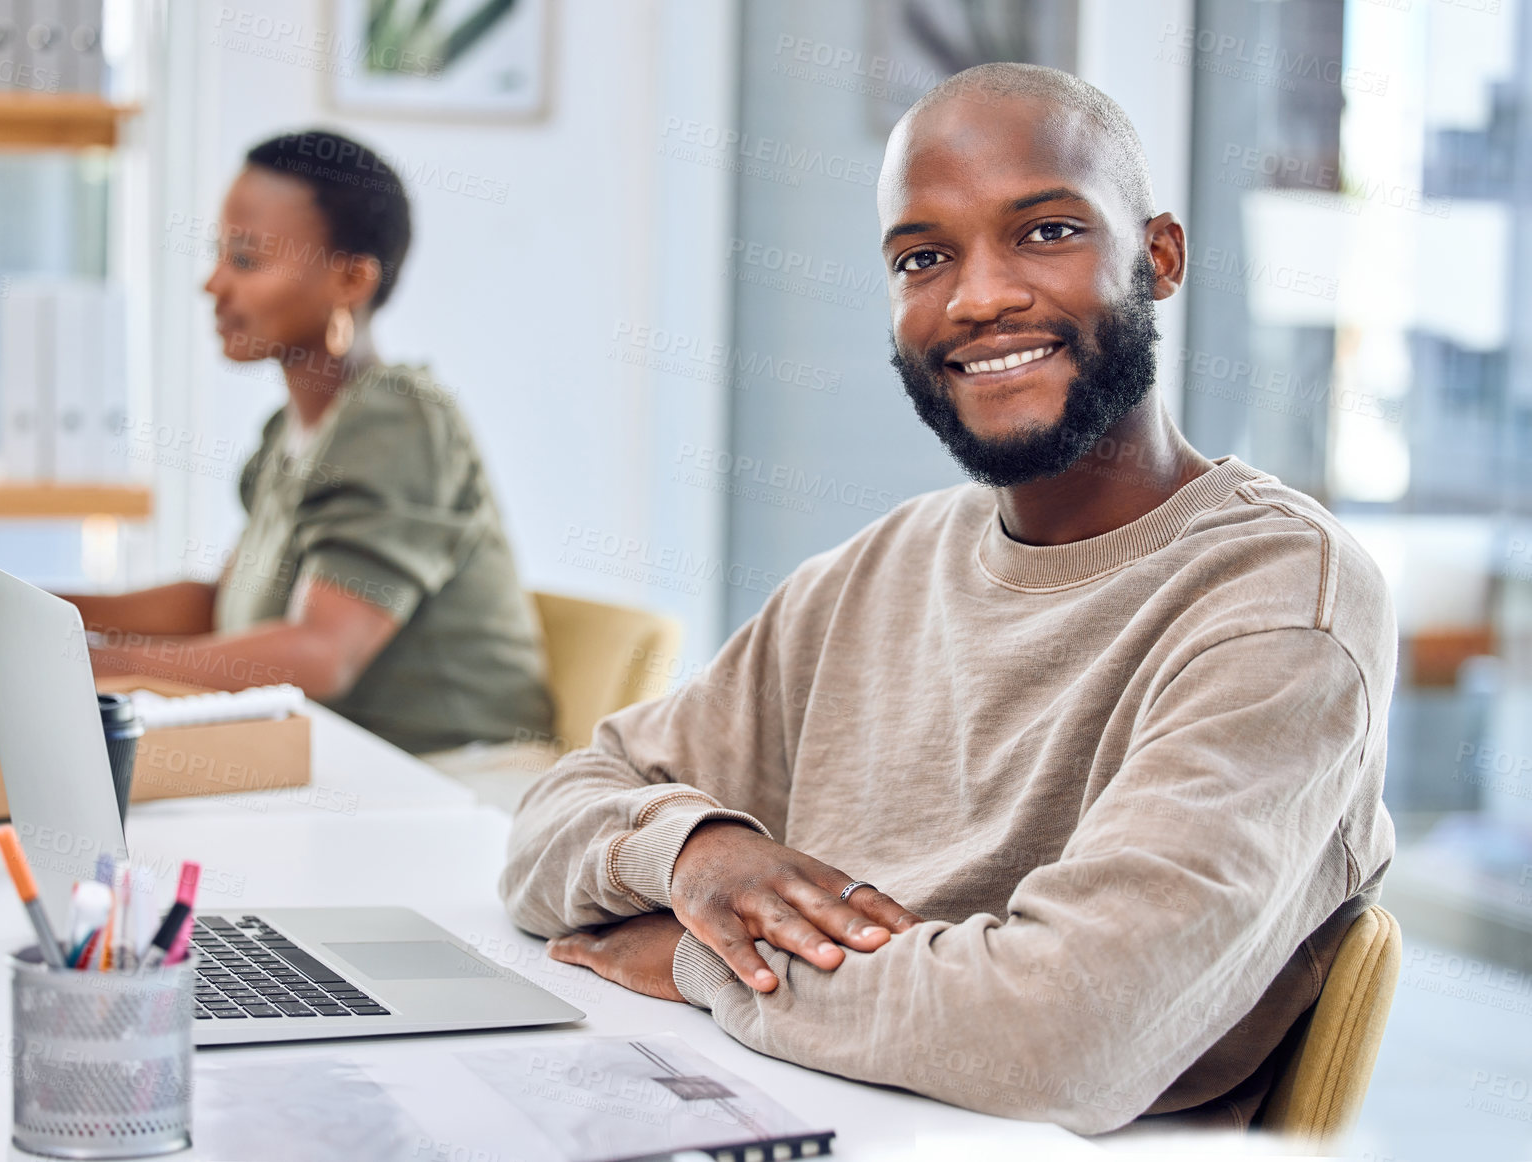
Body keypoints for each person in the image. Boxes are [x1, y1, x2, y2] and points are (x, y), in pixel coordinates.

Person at [498, 64, 1395, 1134]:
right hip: (783, 1113)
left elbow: (1063, 1036)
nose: (979, 297)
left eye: (1047, 231)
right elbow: (549, 826)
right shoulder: (882, 566)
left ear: (1158, 258)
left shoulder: (1282, 601)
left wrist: (705, 956)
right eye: (923, 257)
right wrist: (694, 853)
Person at [0, 129, 553, 757]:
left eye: (246, 259)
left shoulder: (399, 422)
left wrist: (85, 662)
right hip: (352, 760)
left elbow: (322, 656)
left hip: (460, 772)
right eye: (218, 254)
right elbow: (222, 605)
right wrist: (37, 611)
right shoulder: (297, 430)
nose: (213, 283)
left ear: (352, 281)